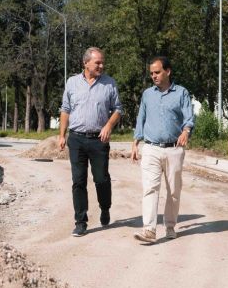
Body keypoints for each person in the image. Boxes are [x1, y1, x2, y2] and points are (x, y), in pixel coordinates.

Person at [59, 47, 123, 237]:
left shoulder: (109, 84)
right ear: (86, 63)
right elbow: (65, 109)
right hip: (76, 138)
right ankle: (81, 221)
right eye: (98, 63)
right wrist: (62, 135)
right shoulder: (71, 83)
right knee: (78, 181)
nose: (101, 66)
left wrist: (108, 126)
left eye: (102, 62)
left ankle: (105, 207)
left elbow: (118, 109)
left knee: (101, 179)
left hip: (98, 140)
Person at [131, 56, 194, 243]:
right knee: (150, 188)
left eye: (157, 72)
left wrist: (186, 131)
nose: (154, 76)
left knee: (173, 191)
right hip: (151, 148)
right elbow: (141, 118)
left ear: (168, 71)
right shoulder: (147, 94)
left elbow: (188, 117)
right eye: (151, 73)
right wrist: (136, 142)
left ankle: (170, 226)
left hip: (174, 149)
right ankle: (149, 230)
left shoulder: (181, 93)